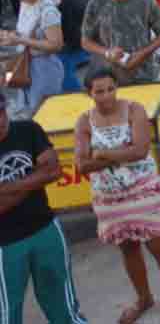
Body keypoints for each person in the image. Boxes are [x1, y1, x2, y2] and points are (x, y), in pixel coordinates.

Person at [76, 65, 160, 324]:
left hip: (143, 189)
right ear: (89, 94)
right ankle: (144, 298)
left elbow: (141, 151)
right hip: (109, 198)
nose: (107, 95)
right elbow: (82, 165)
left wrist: (103, 154)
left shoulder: (134, 110)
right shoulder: (84, 121)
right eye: (100, 92)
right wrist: (122, 153)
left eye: (111, 89)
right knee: (128, 249)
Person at [0, 90, 89, 324]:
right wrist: (36, 178)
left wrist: (10, 187)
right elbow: (45, 173)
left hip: (46, 228)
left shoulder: (28, 129)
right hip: (4, 245)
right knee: (7, 313)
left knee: (64, 305)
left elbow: (54, 171)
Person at [1, 0, 64, 116]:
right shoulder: (26, 2)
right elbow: (25, 33)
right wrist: (10, 37)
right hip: (26, 64)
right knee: (29, 111)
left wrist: (21, 41)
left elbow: (56, 45)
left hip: (44, 69)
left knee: (43, 113)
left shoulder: (48, 11)